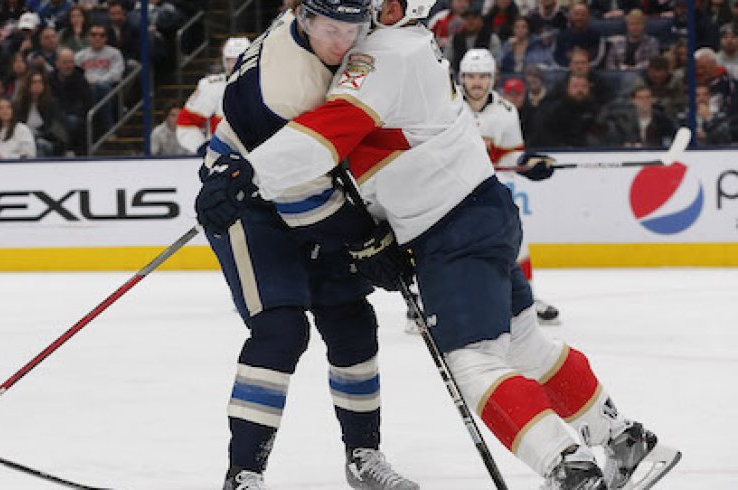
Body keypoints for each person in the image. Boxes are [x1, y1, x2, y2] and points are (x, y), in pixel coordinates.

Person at [224, 0, 681, 488]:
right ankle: (623, 438)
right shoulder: (411, 44)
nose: (373, 8)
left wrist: (245, 171)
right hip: (484, 211)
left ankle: (567, 467)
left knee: (473, 360)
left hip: (450, 230)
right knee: (526, 344)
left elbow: (324, 139)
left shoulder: (384, 55)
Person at [194, 2, 419, 489]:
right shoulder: (282, 87)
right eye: (329, 29)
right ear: (301, 19)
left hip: (314, 187)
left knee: (353, 322)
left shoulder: (326, 24)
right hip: (248, 200)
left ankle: (363, 456)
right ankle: (244, 474)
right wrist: (364, 241)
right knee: (281, 330)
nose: (342, 43)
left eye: (353, 29)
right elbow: (296, 196)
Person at [458, 48, 560, 324]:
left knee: (516, 238)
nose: (476, 83)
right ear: (461, 78)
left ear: (492, 78)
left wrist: (529, 164)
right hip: (449, 187)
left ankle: (527, 298)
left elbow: (509, 157)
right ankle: (421, 301)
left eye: (482, 76)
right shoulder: (447, 107)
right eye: (470, 76)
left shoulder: (506, 111)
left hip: (487, 188)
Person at [175, 36, 250, 156]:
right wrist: (203, 148)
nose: (235, 65)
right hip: (225, 160)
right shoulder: (212, 87)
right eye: (231, 60)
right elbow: (186, 124)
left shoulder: (268, 86)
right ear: (225, 61)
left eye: (240, 60)